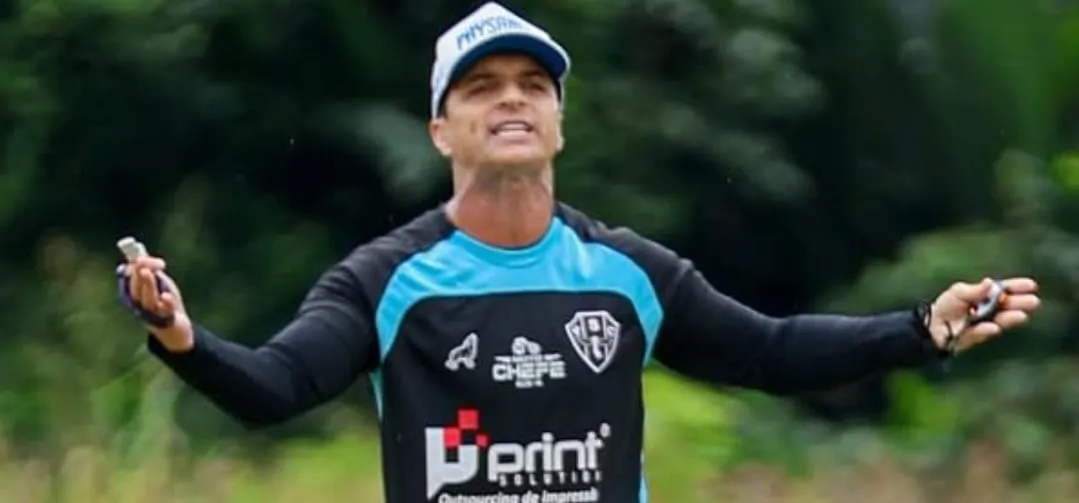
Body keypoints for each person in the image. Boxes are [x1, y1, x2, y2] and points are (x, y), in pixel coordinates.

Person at [116, 2, 1041, 502]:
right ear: (442, 130)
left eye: (531, 84)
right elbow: (276, 385)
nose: (510, 99)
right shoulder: (387, 278)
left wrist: (918, 328)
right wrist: (179, 333)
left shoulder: (626, 271)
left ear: (560, 119)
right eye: (481, 88)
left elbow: (768, 350)